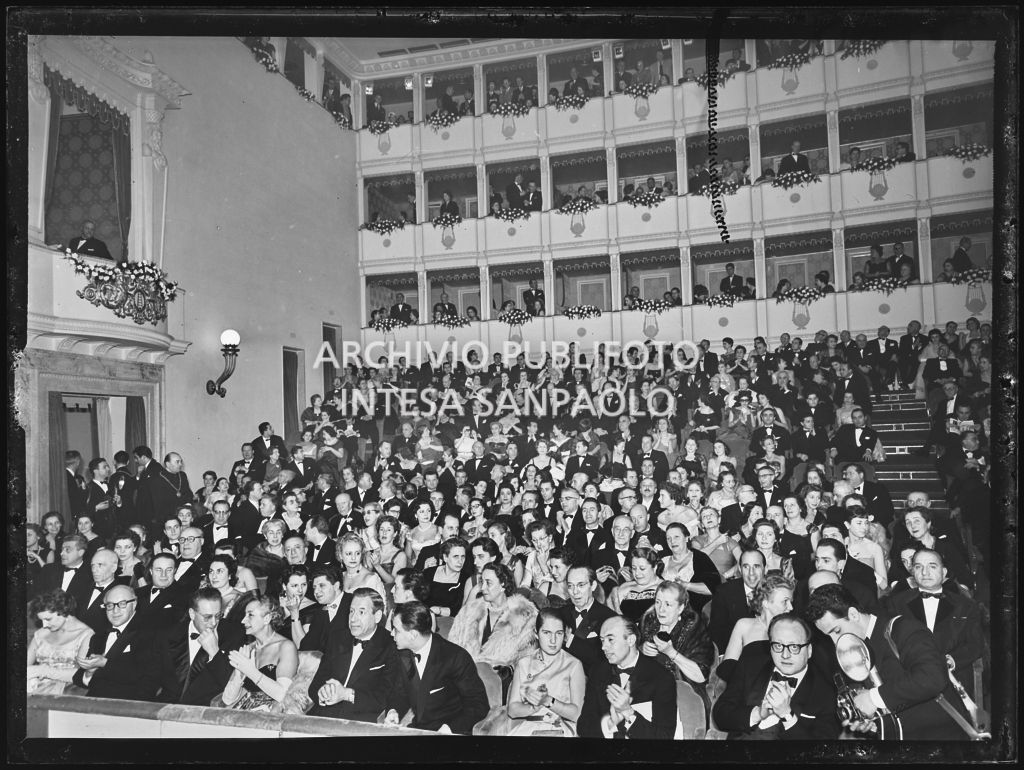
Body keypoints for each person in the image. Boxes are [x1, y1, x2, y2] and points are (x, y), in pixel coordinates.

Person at [806, 584, 976, 740]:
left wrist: (873, 699)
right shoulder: (854, 649)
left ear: (853, 614)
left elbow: (932, 678)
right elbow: (894, 702)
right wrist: (873, 722)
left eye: (836, 631)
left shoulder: (903, 629)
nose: (836, 642)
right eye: (829, 637)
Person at [712, 613, 841, 739]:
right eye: (778, 646)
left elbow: (821, 751)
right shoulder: (751, 665)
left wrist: (787, 716)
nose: (785, 655)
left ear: (809, 650)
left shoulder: (826, 691)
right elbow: (720, 715)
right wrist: (757, 713)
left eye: (794, 647)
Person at [476, 608, 586, 736]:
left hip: (561, 728)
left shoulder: (573, 665)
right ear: (536, 634)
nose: (553, 640)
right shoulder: (524, 664)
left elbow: (578, 714)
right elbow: (512, 709)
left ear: (565, 635)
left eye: (559, 633)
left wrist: (549, 701)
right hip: (529, 728)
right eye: (546, 633)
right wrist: (533, 708)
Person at [384, 601, 490, 734]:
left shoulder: (455, 657)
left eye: (397, 630)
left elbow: (478, 705)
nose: (392, 634)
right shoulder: (403, 654)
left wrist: (450, 728)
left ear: (413, 634)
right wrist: (393, 710)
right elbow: (399, 692)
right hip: (418, 730)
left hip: (450, 732)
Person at [309, 587, 409, 721]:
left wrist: (347, 694)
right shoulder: (337, 638)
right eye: (351, 611)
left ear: (377, 616)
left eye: (361, 612)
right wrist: (322, 693)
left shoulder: (391, 645)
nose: (353, 619)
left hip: (359, 721)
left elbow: (386, 696)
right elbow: (316, 683)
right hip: (321, 715)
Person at [578, 615, 677, 739]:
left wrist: (628, 712)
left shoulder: (661, 677)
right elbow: (583, 726)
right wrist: (609, 724)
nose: (604, 647)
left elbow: (664, 737)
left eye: (610, 640)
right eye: (602, 640)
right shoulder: (598, 672)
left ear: (630, 640)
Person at [150, 586, 247, 705]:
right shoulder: (168, 634)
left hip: (206, 711)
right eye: (207, 617)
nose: (213, 623)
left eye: (218, 616)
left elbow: (231, 686)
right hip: (167, 708)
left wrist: (214, 652)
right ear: (192, 613)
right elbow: (150, 678)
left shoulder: (234, 634)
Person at [638, 580, 715, 723]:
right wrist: (640, 649)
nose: (661, 610)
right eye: (658, 602)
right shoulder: (649, 621)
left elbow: (700, 676)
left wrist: (671, 653)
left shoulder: (694, 627)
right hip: (647, 690)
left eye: (668, 604)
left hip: (684, 694)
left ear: (680, 608)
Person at [73, 584, 156, 700]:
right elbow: (78, 679)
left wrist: (104, 663)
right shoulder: (98, 637)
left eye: (122, 604)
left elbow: (144, 677)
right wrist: (90, 672)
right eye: (110, 605)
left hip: (129, 707)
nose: (115, 611)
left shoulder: (149, 634)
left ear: (134, 604)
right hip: (94, 705)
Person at [449, 562, 538, 669]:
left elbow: (527, 659)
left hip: (503, 678)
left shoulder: (524, 616)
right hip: (466, 674)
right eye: (482, 582)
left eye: (489, 583)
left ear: (503, 584)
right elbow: (453, 649)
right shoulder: (469, 612)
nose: (483, 588)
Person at [220, 594, 298, 711]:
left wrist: (250, 671)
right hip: (243, 715)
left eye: (250, 615)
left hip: (269, 719)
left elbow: (282, 695)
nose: (243, 620)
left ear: (267, 619)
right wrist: (239, 674)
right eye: (245, 615)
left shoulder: (286, 647)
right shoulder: (248, 649)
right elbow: (227, 700)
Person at [720, 573, 795, 680]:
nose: (791, 607)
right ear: (766, 603)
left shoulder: (792, 630)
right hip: (742, 687)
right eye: (785, 602)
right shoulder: (744, 625)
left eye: (791, 602)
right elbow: (728, 665)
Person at [28, 590, 95, 695]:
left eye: (48, 619)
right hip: (37, 687)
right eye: (42, 620)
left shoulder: (86, 635)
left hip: (69, 691)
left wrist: (42, 671)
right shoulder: (41, 634)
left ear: (63, 611)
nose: (44, 625)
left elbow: (82, 676)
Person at [709, 549, 765, 654]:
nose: (751, 573)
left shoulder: (773, 591)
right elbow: (717, 632)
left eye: (756, 566)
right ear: (739, 569)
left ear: (764, 569)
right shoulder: (724, 592)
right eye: (746, 567)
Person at [658, 523, 721, 613]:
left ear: (687, 538)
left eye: (676, 537)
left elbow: (713, 589)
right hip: (664, 610)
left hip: (692, 611)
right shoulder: (663, 561)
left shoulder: (699, 558)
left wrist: (686, 585)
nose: (672, 541)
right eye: (668, 538)